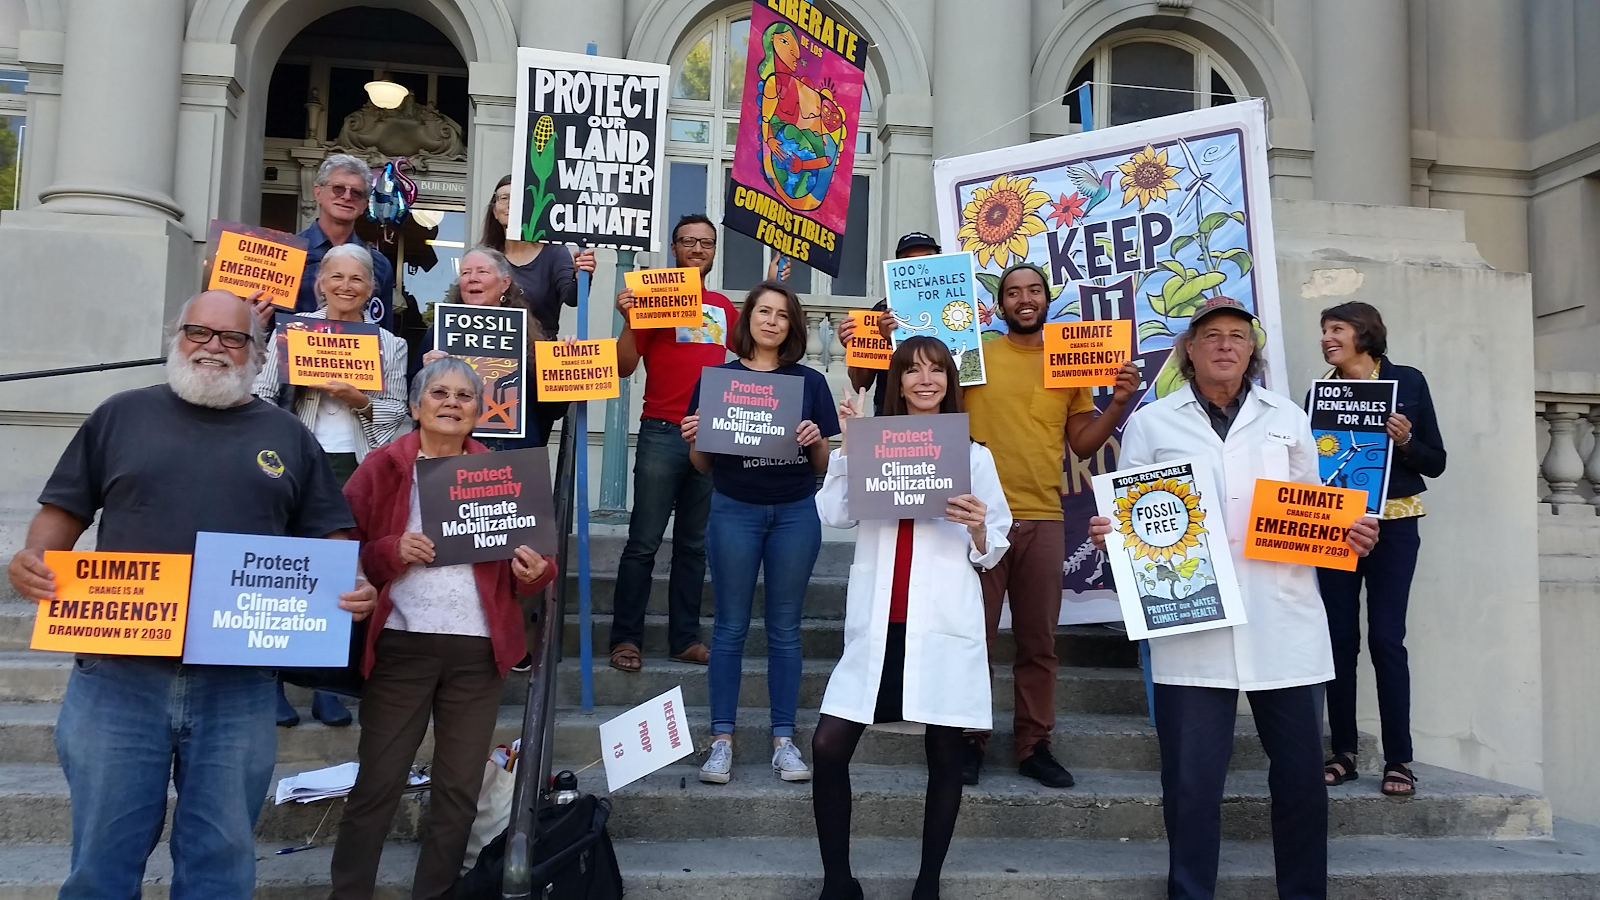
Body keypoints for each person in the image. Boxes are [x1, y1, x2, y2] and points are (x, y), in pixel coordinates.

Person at [5, 289, 376, 900]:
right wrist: (33, 563)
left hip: (239, 683)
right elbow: (60, 514)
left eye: (233, 338)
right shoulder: (119, 415)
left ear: (258, 355)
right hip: (117, 676)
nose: (213, 348)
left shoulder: (288, 436)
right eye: (198, 333)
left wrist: (353, 584)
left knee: (221, 862)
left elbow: (333, 542)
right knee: (102, 861)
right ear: (177, 338)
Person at [1088, 295, 1380, 900]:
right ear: (1189, 351)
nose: (1225, 345)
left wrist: (1350, 531)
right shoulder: (1151, 422)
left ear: (1252, 351)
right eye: (1212, 335)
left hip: (1283, 617)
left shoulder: (1287, 418)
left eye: (1238, 337)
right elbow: (1134, 513)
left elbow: (1319, 502)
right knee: (1192, 785)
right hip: (1193, 624)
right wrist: (1117, 532)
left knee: (1300, 779)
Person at [882, 261, 1139, 787]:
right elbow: (926, 390)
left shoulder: (1070, 361)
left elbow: (1083, 444)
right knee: (974, 636)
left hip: (1043, 516)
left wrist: (1116, 404)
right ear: (999, 305)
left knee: (1038, 641)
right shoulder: (976, 353)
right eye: (1013, 292)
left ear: (1047, 299)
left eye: (1034, 290)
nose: (1024, 298)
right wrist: (895, 340)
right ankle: (968, 739)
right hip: (974, 519)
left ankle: (1034, 745)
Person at [330, 357, 557, 899]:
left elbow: (540, 567)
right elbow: (341, 545)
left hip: (479, 654)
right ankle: (349, 893)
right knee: (378, 783)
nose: (451, 403)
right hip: (403, 646)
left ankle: (434, 894)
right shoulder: (384, 466)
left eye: (464, 396)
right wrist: (390, 552)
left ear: (480, 411)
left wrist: (534, 572)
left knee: (458, 790)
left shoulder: (504, 476)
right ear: (415, 406)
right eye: (439, 393)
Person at [811, 337, 1012, 900]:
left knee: (946, 753)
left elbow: (995, 544)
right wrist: (849, 449)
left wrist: (976, 527)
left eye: (938, 371)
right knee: (828, 745)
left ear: (950, 381)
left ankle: (928, 884)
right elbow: (835, 513)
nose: (926, 380)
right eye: (914, 370)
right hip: (880, 622)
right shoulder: (871, 446)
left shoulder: (974, 455)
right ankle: (837, 882)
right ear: (897, 382)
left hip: (941, 621)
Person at [682, 280, 840, 784]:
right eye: (763, 311)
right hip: (735, 510)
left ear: (792, 325)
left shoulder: (810, 383)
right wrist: (694, 436)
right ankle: (722, 741)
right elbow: (702, 465)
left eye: (782, 314)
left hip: (794, 511)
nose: (771, 321)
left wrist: (816, 440)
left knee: (785, 631)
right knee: (729, 629)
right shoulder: (717, 381)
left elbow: (821, 466)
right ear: (747, 318)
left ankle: (784, 741)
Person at [253, 242, 411, 727]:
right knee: (283, 565)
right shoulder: (293, 330)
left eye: (357, 279)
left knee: (340, 572)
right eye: (336, 277)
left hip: (353, 465)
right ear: (320, 282)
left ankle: (326, 684)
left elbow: (396, 412)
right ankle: (271, 678)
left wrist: (358, 397)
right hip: (295, 461)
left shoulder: (390, 344)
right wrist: (299, 383)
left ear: (372, 288)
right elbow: (259, 397)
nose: (346, 286)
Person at [1314, 301, 1445, 799]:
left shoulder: (1407, 383)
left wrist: (1407, 441)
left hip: (1395, 526)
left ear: (1364, 334)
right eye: (1324, 331)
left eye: (1337, 329)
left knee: (1387, 640)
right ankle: (1342, 752)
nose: (1327, 338)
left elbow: (1437, 463)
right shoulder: (1321, 393)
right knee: (1339, 640)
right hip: (1336, 527)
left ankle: (1399, 759)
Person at [606, 214, 740, 672]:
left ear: (714, 251)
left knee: (694, 545)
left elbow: (759, 354)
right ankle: (625, 638)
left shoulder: (724, 306)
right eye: (688, 241)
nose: (698, 249)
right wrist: (627, 319)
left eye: (706, 243)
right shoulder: (653, 295)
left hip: (713, 435)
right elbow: (624, 367)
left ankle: (685, 638)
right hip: (663, 431)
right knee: (643, 542)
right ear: (674, 247)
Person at [418, 245, 554, 447]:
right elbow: (412, 400)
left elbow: (553, 408)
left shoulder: (528, 337)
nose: (472, 278)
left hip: (513, 455)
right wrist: (426, 374)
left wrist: (563, 360)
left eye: (482, 271)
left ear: (505, 283)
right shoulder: (438, 333)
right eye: (465, 273)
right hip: (451, 450)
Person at [834, 231, 944, 415]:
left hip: (944, 411)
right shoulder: (881, 312)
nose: (917, 267)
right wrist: (856, 346)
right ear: (896, 269)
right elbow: (860, 384)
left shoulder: (955, 307)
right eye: (908, 261)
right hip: (889, 413)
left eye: (926, 259)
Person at [481, 173, 597, 337]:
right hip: (493, 352)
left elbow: (572, 298)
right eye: (504, 198)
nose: (510, 204)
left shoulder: (554, 252)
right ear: (494, 211)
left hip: (539, 353)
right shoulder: (485, 256)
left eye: (519, 198)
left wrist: (581, 275)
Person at [296, 154, 397, 332]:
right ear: (318, 193)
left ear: (365, 204)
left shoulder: (379, 264)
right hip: (293, 355)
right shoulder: (289, 253)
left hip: (356, 357)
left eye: (356, 193)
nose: (347, 197)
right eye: (338, 189)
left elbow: (383, 331)